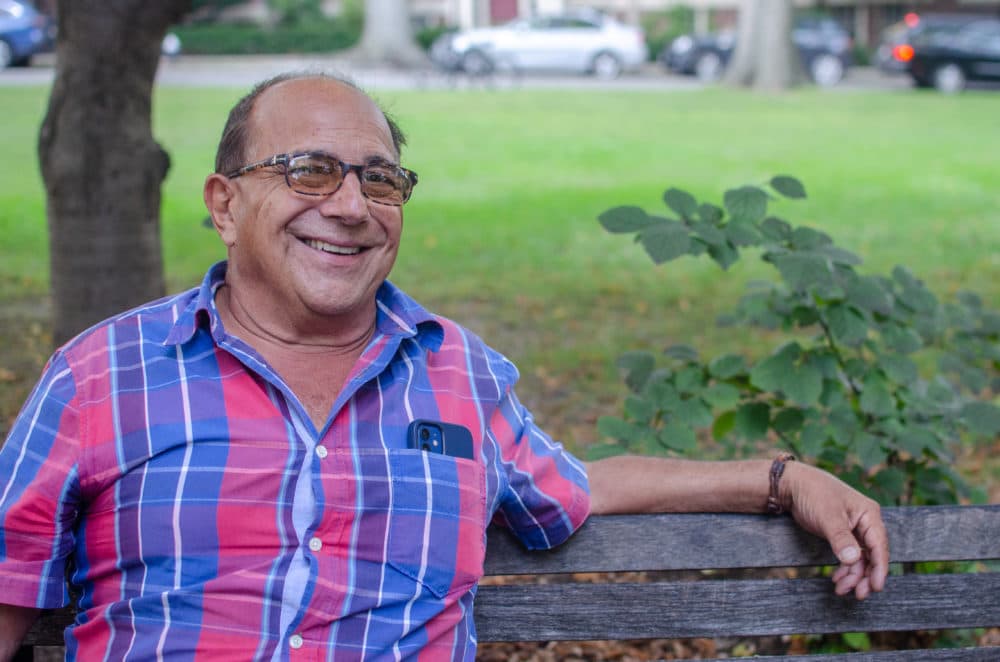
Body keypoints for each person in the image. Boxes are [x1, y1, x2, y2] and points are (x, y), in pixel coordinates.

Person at [0, 72, 888, 661]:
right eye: (309, 171)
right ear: (226, 206)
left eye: (381, 180)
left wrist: (784, 478)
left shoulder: (458, 375)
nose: (351, 206)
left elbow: (579, 487)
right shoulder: (103, 376)